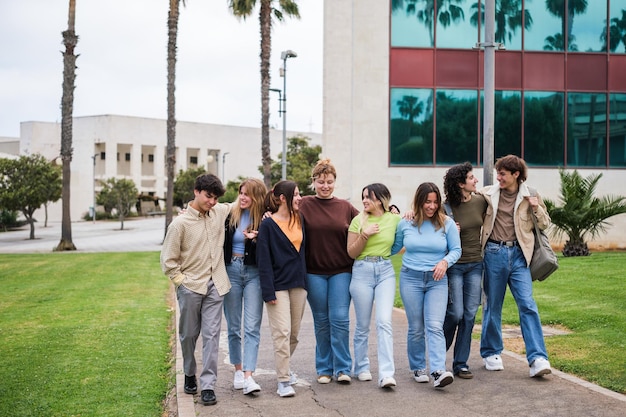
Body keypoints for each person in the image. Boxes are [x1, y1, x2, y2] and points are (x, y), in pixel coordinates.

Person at [160, 174, 231, 406]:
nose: (212, 202)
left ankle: (208, 386)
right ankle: (189, 373)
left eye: (215, 198)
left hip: (216, 284)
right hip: (191, 286)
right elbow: (168, 261)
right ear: (196, 191)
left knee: (211, 336)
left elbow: (243, 203)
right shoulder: (179, 224)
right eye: (209, 196)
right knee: (189, 334)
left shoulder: (219, 212)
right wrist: (182, 282)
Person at [480, 154, 552, 377]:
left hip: (520, 256)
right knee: (493, 305)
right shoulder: (487, 194)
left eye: (502, 173)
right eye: (497, 173)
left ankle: (538, 358)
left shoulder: (531, 194)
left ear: (516, 174)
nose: (498, 177)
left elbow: (545, 224)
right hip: (493, 253)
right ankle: (491, 352)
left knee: (527, 304)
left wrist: (537, 207)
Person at [391, 182, 461, 388]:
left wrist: (444, 262)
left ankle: (439, 370)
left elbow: (456, 250)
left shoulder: (447, 223)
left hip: (436, 281)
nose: (431, 206)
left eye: (435, 202)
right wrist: (393, 218)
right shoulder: (407, 223)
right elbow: (393, 247)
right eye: (427, 202)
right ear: (419, 202)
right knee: (416, 327)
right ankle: (418, 366)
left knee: (434, 326)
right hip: (410, 278)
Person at [299, 159, 360, 385]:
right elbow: (279, 210)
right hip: (313, 272)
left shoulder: (345, 207)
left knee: (340, 319)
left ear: (335, 182)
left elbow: (369, 218)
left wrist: (393, 211)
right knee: (322, 321)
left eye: (330, 182)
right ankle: (324, 368)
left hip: (341, 271)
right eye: (321, 181)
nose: (325, 186)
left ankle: (343, 368)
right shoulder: (303, 204)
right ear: (313, 182)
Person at [256, 180, 308, 397]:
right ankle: (283, 380)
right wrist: (267, 291)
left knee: (294, 334)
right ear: (283, 198)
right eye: (295, 195)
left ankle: (285, 367)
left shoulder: (300, 218)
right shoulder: (267, 224)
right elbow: (264, 260)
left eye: (300, 194)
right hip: (277, 286)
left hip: (299, 284)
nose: (299, 198)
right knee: (282, 332)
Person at [347, 183, 400, 389]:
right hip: (361, 272)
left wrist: (408, 214)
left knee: (384, 321)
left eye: (368, 197)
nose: (364, 201)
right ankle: (361, 367)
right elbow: (351, 252)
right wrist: (365, 234)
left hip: (385, 271)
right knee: (362, 325)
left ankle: (387, 374)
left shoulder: (394, 220)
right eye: (363, 197)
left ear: (380, 199)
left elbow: (403, 238)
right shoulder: (357, 221)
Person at [442, 163, 488, 379]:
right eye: (471, 178)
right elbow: (432, 234)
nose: (475, 180)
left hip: (475, 264)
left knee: (469, 315)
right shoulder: (446, 208)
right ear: (461, 183)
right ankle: (437, 354)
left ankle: (460, 363)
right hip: (455, 266)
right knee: (455, 313)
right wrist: (448, 231)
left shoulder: (480, 201)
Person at [223, 178, 267, 395]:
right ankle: (238, 370)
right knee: (233, 326)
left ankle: (249, 376)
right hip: (231, 269)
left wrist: (259, 239)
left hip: (254, 274)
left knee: (251, 327)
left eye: (247, 194)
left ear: (256, 196)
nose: (242, 197)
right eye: (241, 192)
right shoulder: (230, 214)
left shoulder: (266, 218)